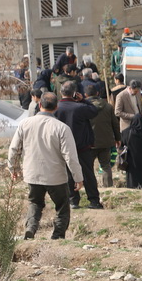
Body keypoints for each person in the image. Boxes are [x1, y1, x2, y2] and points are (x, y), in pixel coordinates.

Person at [7, 92, 83, 240]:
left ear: (40, 104)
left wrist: (13, 169)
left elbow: (14, 149)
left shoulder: (25, 124)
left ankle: (30, 228)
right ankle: (58, 236)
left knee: (35, 203)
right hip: (56, 176)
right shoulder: (62, 128)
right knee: (62, 206)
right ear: (56, 107)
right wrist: (78, 177)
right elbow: (70, 156)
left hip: (32, 174)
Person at [56, 81, 103, 210]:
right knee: (88, 173)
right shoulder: (80, 107)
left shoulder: (56, 108)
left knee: (68, 174)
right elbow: (94, 111)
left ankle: (73, 200)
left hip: (63, 147)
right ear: (74, 93)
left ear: (60, 92)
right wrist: (84, 100)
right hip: (82, 146)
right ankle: (94, 200)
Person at [88, 92, 120, 189]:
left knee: (88, 167)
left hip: (90, 143)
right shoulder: (108, 107)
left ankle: (91, 187)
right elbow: (115, 124)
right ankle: (108, 186)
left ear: (85, 94)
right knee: (106, 165)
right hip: (106, 141)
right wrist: (118, 138)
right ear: (97, 93)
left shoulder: (85, 107)